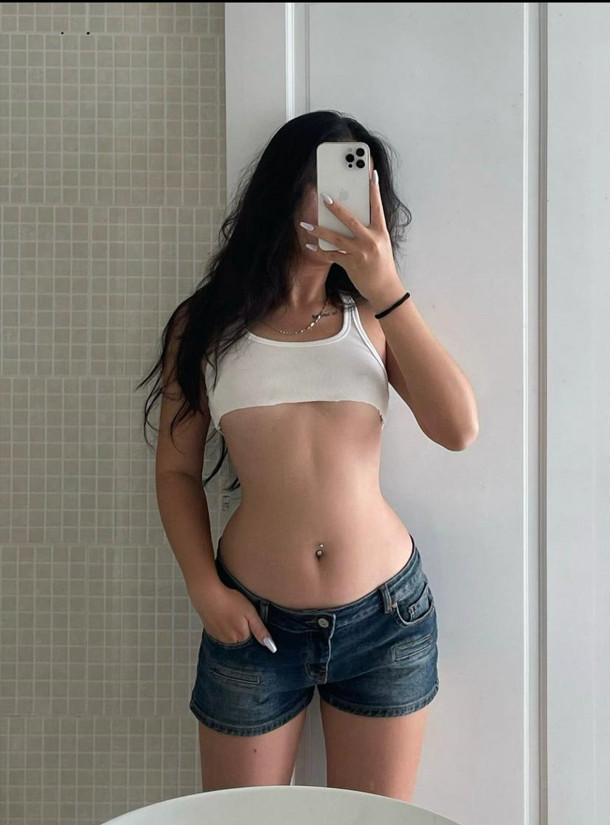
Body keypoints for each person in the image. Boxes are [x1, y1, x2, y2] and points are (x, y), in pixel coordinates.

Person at [138, 110, 479, 801]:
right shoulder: (207, 326)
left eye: (356, 187)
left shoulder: (372, 317)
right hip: (253, 626)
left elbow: (457, 428)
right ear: (284, 190)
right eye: (325, 184)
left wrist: (386, 286)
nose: (342, 205)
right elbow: (175, 471)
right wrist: (204, 588)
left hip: (385, 619)